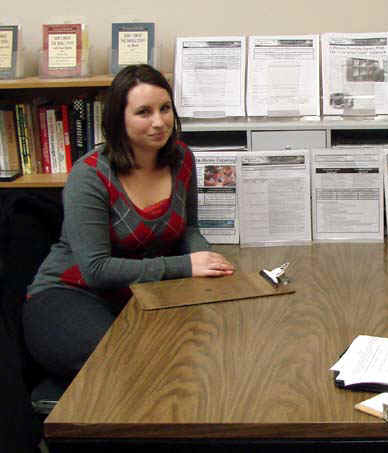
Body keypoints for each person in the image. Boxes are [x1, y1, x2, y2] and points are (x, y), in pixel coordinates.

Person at [23, 64, 235, 381]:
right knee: (130, 365)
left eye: (165, 109)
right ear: (118, 119)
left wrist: (209, 261)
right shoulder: (89, 175)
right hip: (70, 294)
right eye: (143, 112)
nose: (159, 122)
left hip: (141, 292)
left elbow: (189, 229)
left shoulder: (182, 158)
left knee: (202, 350)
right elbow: (96, 269)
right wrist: (186, 265)